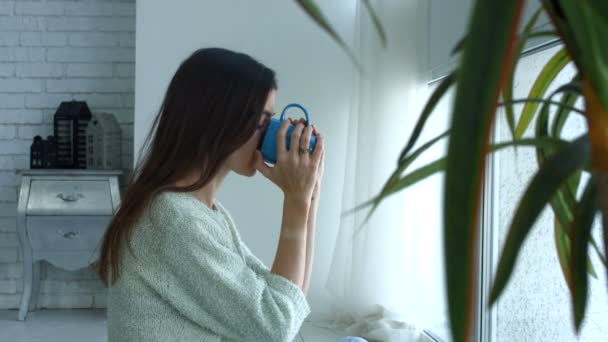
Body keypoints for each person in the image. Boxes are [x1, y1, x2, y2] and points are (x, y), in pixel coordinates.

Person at [96, 47, 325, 342]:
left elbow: (290, 301)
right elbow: (276, 326)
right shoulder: (173, 220)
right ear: (218, 121)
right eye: (263, 122)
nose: (271, 134)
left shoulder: (200, 211)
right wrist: (295, 200)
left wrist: (309, 195)